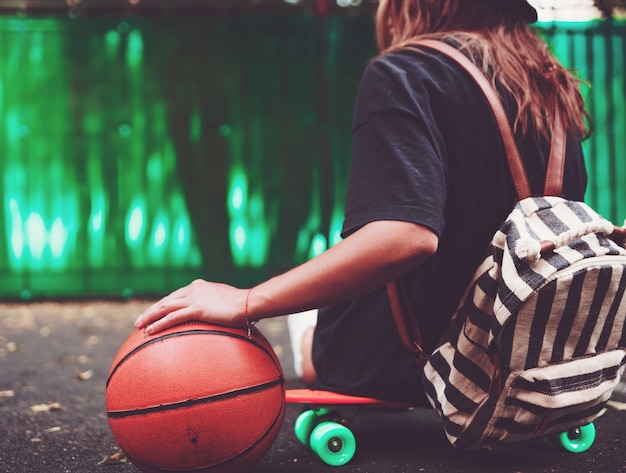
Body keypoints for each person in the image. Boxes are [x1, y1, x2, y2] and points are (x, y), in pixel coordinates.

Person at [135, 0, 589, 407]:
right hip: (535, 363)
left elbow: (406, 235)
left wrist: (248, 300)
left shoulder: (407, 72)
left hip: (415, 364)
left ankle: (314, 335)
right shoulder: (552, 87)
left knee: (315, 340)